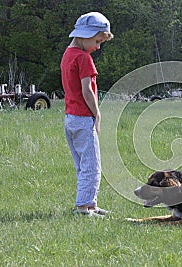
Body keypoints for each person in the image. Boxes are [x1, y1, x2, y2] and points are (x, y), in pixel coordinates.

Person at [61, 12, 114, 216]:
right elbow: (87, 91)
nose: (98, 47)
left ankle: (90, 204)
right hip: (83, 119)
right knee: (92, 166)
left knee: (82, 165)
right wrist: (97, 113)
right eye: (97, 41)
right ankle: (84, 207)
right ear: (85, 35)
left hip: (70, 118)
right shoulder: (84, 58)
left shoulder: (68, 55)